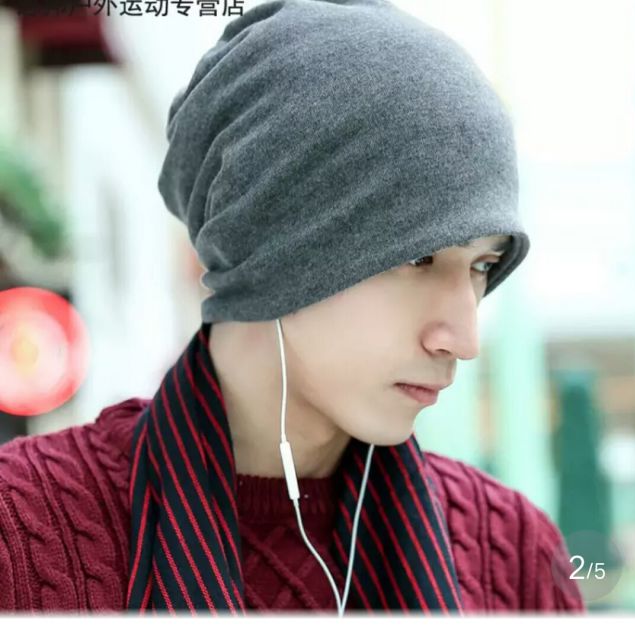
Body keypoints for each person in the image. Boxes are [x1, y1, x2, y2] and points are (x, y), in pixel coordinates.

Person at [0, 0, 585, 614]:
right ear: (272, 243)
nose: (462, 338)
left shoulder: (515, 553)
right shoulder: (23, 532)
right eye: (418, 258)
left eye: (482, 266)